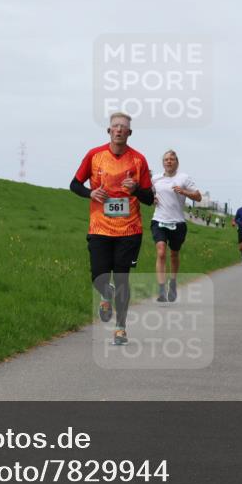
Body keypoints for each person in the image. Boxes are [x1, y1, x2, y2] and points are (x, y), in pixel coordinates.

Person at [70, 112, 154, 345]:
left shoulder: (139, 160)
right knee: (98, 276)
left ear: (129, 133)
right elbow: (74, 184)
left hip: (129, 230)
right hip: (99, 228)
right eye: (115, 126)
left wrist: (136, 189)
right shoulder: (94, 155)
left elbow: (149, 198)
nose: (119, 130)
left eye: (123, 127)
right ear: (109, 131)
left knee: (122, 279)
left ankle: (120, 328)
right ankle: (105, 296)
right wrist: (90, 193)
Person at [151, 150, 202, 302]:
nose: (168, 161)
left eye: (172, 159)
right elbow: (149, 193)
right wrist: (151, 198)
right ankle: (161, 290)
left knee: (174, 254)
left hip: (178, 222)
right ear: (163, 162)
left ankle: (172, 283)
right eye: (166, 159)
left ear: (177, 162)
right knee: (161, 252)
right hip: (159, 220)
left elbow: (198, 197)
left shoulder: (184, 178)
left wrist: (184, 192)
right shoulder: (156, 178)